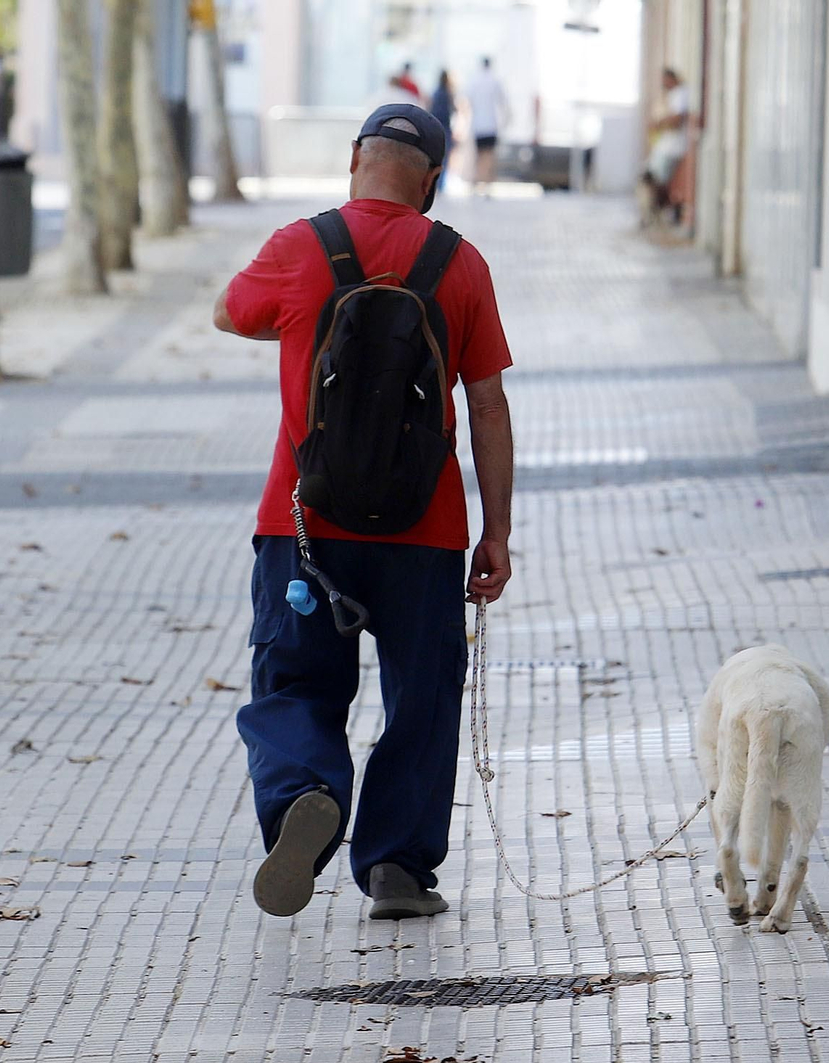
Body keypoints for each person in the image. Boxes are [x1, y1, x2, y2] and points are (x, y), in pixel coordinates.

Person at [213, 104, 516, 921]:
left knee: (295, 683)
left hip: (302, 522)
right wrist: (497, 532)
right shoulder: (460, 263)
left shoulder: (297, 247)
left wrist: (304, 324)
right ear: (433, 180)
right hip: (425, 529)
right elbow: (487, 403)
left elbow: (228, 313)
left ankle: (305, 793)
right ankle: (396, 867)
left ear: (355, 157)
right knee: (422, 697)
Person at [642, 68, 691, 218]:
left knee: (657, 179)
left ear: (671, 78)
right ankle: (656, 210)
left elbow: (677, 120)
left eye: (665, 80)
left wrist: (659, 123)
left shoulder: (681, 93)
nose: (663, 84)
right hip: (667, 146)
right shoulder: (674, 95)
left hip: (673, 147)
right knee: (650, 177)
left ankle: (660, 210)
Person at [465, 56, 508, 194]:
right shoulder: (495, 80)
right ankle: (487, 184)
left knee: (478, 156)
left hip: (477, 124)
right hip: (491, 125)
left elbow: (467, 101)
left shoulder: (474, 80)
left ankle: (476, 184)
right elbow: (503, 102)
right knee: (489, 156)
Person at [429, 70, 455, 192]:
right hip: (445, 128)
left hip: (435, 126)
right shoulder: (448, 94)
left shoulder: (435, 93)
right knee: (444, 158)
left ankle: (435, 183)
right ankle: (440, 185)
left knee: (435, 157)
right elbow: (452, 111)